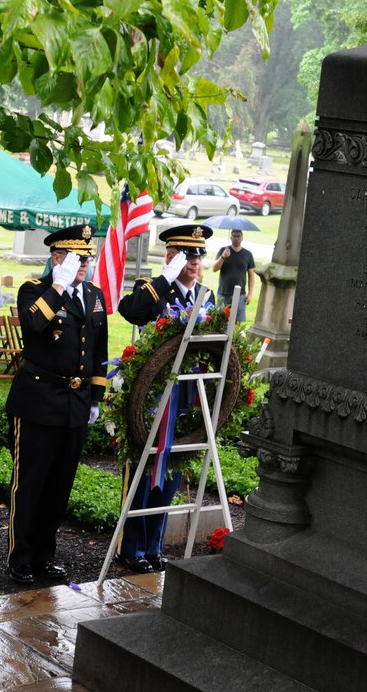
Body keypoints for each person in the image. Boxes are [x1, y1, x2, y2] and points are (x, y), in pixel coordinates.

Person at [4, 224, 108, 584]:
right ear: (56, 257)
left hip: (75, 405)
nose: (83, 264)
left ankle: (45, 556)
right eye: (75, 258)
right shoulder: (35, 290)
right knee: (30, 483)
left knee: (59, 487)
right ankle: (20, 556)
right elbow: (32, 324)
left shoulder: (94, 296)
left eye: (86, 258)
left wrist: (95, 398)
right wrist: (59, 285)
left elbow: (99, 352)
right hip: (38, 400)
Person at [116, 224, 215, 572]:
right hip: (154, 399)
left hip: (186, 400)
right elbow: (130, 311)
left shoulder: (206, 296)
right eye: (188, 254)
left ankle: (153, 546)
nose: (195, 261)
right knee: (144, 474)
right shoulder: (154, 290)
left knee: (169, 476)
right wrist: (164, 278)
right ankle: (131, 548)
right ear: (171, 256)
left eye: (199, 254)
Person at [211, 229, 256, 322]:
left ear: (242, 238)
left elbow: (251, 275)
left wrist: (250, 294)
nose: (236, 238)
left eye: (238, 236)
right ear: (231, 237)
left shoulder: (248, 254)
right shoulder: (223, 251)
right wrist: (223, 257)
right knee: (220, 322)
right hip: (223, 293)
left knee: (238, 323)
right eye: (234, 236)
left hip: (240, 294)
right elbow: (214, 268)